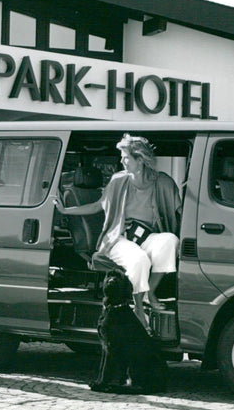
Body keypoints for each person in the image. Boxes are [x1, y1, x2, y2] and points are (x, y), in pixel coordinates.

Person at [54, 133, 180, 324]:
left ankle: (150, 292)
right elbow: (98, 206)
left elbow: (179, 210)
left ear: (140, 159)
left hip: (148, 237)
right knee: (139, 260)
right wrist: (65, 210)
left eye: (126, 157)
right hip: (120, 238)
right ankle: (138, 305)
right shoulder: (118, 181)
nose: (122, 161)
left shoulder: (163, 182)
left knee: (170, 240)